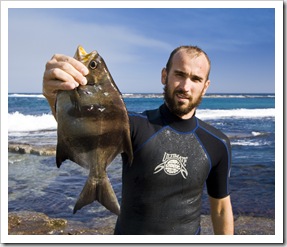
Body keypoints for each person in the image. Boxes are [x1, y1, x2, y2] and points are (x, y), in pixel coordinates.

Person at [43, 45, 234, 235]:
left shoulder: (217, 143)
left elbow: (221, 209)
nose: (185, 86)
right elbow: (82, 127)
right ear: (164, 75)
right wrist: (53, 95)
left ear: (205, 86)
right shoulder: (132, 125)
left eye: (196, 79)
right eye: (179, 74)